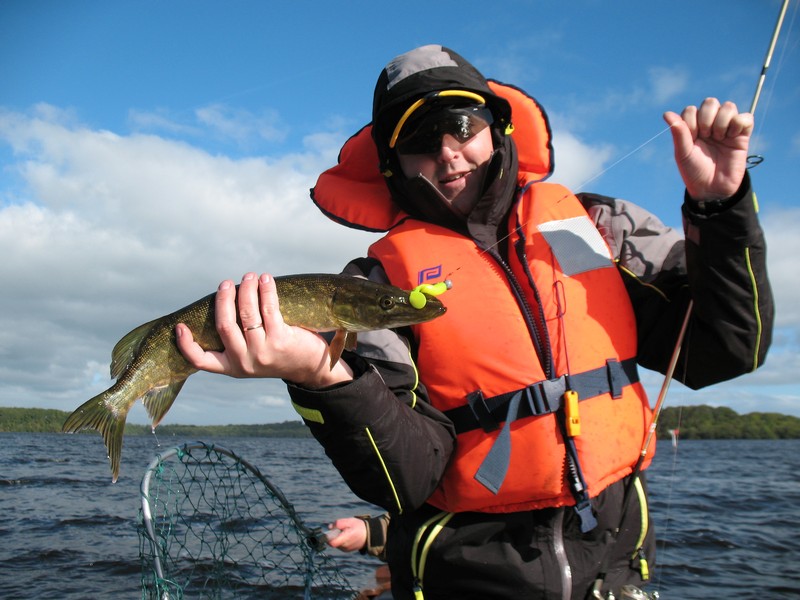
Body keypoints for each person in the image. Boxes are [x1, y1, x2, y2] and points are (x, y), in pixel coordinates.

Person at [176, 45, 774, 599]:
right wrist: (322, 377)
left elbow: (727, 350)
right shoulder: (376, 288)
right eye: (419, 138)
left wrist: (720, 209)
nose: (447, 152)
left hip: (614, 564)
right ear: (392, 164)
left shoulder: (599, 227)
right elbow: (406, 479)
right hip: (468, 577)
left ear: (498, 128)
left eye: (463, 125)